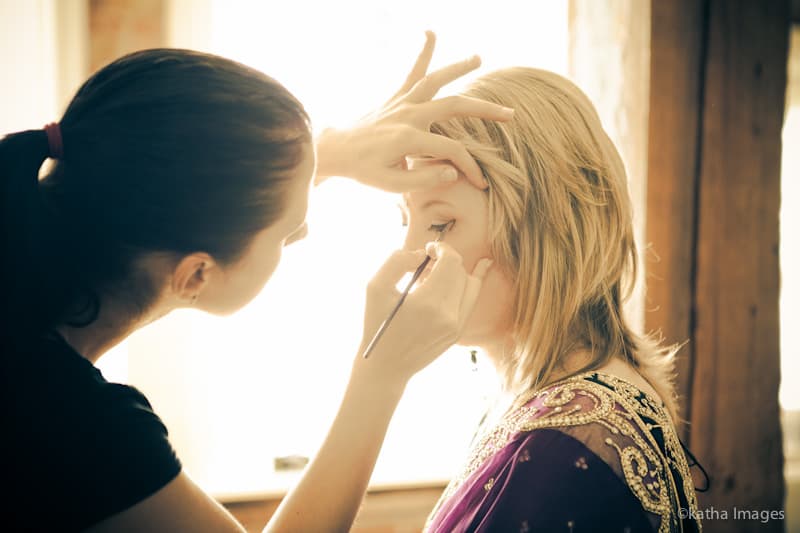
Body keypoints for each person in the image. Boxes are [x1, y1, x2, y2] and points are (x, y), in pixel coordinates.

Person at [0, 33, 515, 532]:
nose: (305, 230)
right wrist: (378, 378)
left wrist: (314, 154)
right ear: (196, 274)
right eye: (289, 233)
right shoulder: (74, 425)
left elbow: (178, 168)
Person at [398, 67, 709, 532]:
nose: (407, 256)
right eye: (402, 220)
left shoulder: (560, 449)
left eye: (440, 225)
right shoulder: (544, 400)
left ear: (543, 228)